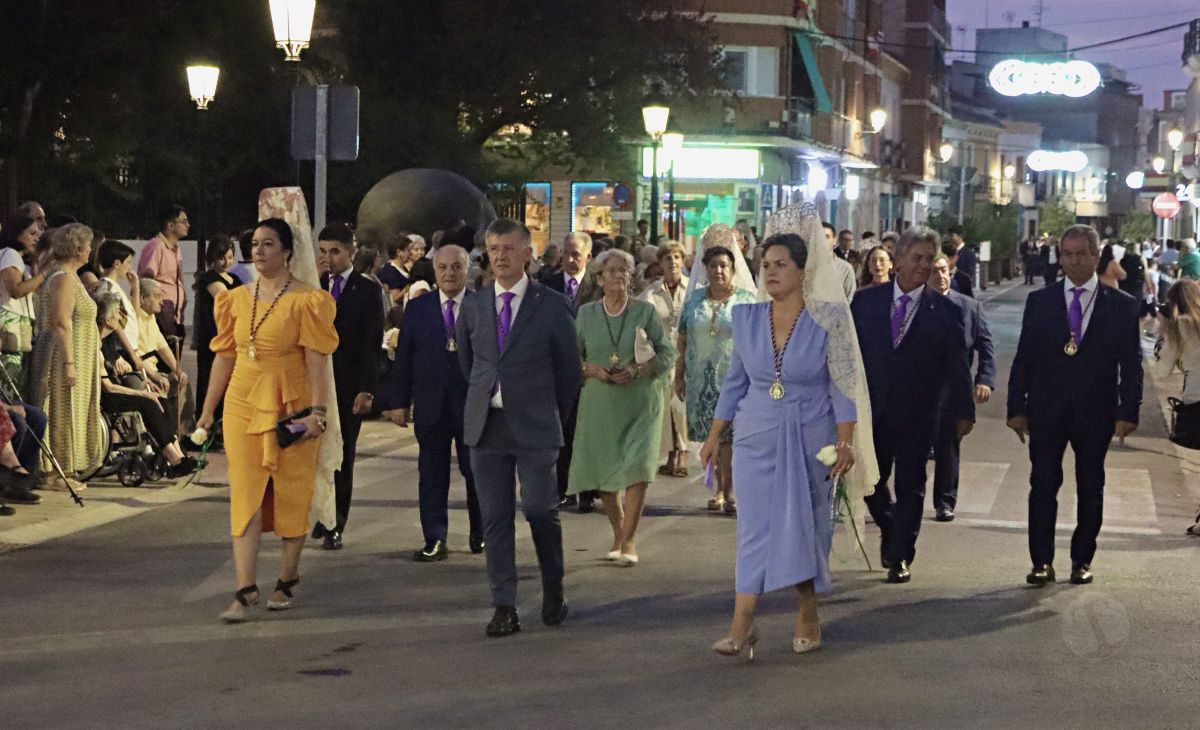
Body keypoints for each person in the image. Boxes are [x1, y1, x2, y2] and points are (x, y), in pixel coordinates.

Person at [706, 202, 876, 658]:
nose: (771, 272)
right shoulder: (745, 320)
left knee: (805, 525)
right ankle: (742, 625)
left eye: (781, 265)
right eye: (766, 265)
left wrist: (845, 439)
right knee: (754, 529)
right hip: (756, 434)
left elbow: (843, 387)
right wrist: (712, 434)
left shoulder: (831, 321)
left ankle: (808, 612)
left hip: (811, 435)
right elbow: (734, 383)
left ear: (804, 271)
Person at [195, 217, 339, 622]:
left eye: (268, 244)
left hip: (291, 407)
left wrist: (318, 413)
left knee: (292, 492)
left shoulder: (308, 300)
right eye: (255, 244)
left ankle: (287, 578)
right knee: (246, 495)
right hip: (242, 404)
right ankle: (244, 590)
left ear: (288, 251)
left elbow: (318, 361)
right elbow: (224, 357)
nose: (258, 251)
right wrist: (208, 411)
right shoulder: (234, 299)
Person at [456, 218, 580, 638]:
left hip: (536, 426)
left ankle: (553, 587)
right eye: (494, 248)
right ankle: (504, 605)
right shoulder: (474, 304)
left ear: (528, 253)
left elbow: (568, 373)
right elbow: (469, 363)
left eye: (509, 248)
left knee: (541, 509)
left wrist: (552, 415)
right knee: (495, 517)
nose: (501, 256)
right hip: (487, 427)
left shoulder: (551, 304)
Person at [1009, 225, 1141, 586]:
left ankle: (1082, 559)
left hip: (1095, 411)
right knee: (1043, 483)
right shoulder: (1041, 301)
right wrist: (1015, 407)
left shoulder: (1121, 307)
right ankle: (1041, 562)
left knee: (1090, 485)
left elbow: (1131, 364)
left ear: (1096, 258)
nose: (1073, 260)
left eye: (1082, 253)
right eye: (1067, 254)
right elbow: (1025, 357)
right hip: (1046, 409)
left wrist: (1128, 411)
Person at [852, 226, 974, 583]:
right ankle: (891, 526)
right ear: (898, 260)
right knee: (870, 483)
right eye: (915, 258)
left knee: (911, 485)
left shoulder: (946, 311)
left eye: (928, 259)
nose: (922, 265)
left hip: (920, 413)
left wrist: (964, 411)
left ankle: (901, 554)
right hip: (872, 410)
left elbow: (958, 364)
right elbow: (850, 356)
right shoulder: (865, 303)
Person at [569, 249, 677, 565]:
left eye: (625, 270)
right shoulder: (586, 314)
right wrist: (592, 370)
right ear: (600, 279)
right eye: (613, 270)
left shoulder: (644, 312)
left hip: (641, 401)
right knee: (605, 472)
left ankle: (629, 541)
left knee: (638, 469)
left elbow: (667, 354)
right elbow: (571, 358)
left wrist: (637, 369)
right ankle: (618, 532)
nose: (619, 275)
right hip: (600, 402)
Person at [382, 244, 483, 560]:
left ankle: (481, 533)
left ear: (467, 270)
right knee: (432, 473)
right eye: (443, 268)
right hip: (431, 404)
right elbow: (405, 359)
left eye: (456, 267)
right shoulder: (419, 307)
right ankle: (435, 538)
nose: (450, 273)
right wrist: (398, 402)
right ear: (435, 270)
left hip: (472, 405)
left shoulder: (483, 306)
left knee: (477, 471)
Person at [311, 222, 385, 550]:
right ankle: (320, 512)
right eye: (323, 251)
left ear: (351, 252)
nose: (328, 258)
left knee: (342, 456)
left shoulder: (368, 292)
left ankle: (335, 522)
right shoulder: (312, 286)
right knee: (312, 455)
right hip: (313, 386)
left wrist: (367, 388)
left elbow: (372, 343)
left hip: (347, 384)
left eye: (335, 252)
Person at [677, 225, 758, 514]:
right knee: (713, 438)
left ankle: (728, 490)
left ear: (733, 267)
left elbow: (756, 341)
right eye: (712, 265)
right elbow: (683, 337)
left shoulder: (747, 301)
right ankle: (719, 487)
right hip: (700, 377)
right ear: (705, 268)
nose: (718, 271)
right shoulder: (695, 299)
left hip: (735, 379)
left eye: (724, 265)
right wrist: (679, 375)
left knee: (729, 438)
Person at [29, 223, 105, 478]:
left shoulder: (71, 277)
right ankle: (53, 473)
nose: (91, 250)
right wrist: (69, 363)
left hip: (76, 357)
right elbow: (61, 323)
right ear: (77, 249)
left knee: (72, 412)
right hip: (61, 358)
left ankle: (66, 469)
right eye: (88, 246)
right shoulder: (62, 278)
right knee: (60, 411)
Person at [95, 294, 196, 477]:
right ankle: (171, 457)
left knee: (161, 399)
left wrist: (147, 386)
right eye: (118, 314)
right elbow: (107, 387)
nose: (121, 319)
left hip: (116, 387)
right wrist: (141, 394)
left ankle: (178, 454)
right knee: (148, 402)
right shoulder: (95, 343)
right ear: (108, 319)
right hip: (105, 396)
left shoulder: (108, 343)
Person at [927, 254, 996, 521]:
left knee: (948, 445)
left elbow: (986, 347)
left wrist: (984, 379)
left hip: (954, 387)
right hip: (919, 387)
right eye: (934, 271)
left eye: (944, 270)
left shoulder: (969, 307)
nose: (940, 276)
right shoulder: (916, 305)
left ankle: (945, 501)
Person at [543, 231, 599, 512]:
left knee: (587, 432)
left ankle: (588, 490)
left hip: (591, 370)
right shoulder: (548, 283)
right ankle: (564, 488)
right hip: (558, 369)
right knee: (562, 430)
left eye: (576, 253)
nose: (569, 258)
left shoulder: (596, 286)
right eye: (566, 253)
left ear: (588, 256)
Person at [639, 242, 690, 478]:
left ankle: (682, 454)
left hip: (686, 355)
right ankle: (671, 454)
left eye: (677, 257)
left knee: (681, 407)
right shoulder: (651, 293)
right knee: (665, 407)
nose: (673, 261)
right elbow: (640, 325)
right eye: (667, 257)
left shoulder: (692, 289)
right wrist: (648, 356)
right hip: (661, 356)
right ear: (660, 263)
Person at [192, 237, 243, 426]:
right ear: (213, 257)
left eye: (230, 257)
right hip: (213, 339)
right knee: (210, 382)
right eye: (222, 258)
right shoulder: (210, 278)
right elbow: (227, 300)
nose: (227, 262)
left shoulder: (235, 279)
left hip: (232, 339)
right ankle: (207, 425)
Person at [137, 278, 193, 437]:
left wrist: (178, 370)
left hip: (154, 370)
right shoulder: (135, 317)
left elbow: (163, 347)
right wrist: (154, 376)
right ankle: (167, 436)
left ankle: (183, 434)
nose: (162, 302)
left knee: (182, 381)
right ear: (143, 299)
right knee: (166, 384)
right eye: (157, 296)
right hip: (143, 372)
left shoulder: (152, 318)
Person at [137, 204, 190, 345]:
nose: (188, 225)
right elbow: (146, 279)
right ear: (170, 225)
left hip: (176, 315)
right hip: (162, 313)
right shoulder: (156, 246)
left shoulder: (176, 249)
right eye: (184, 221)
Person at [0, 214, 44, 382]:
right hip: (10, 329)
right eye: (32, 234)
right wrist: (44, 275)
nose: (36, 238)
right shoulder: (10, 254)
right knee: (11, 383)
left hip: (14, 329)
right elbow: (15, 290)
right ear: (17, 234)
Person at [821, 222, 859, 299]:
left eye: (827, 237)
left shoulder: (845, 269)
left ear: (835, 240)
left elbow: (851, 300)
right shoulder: (802, 268)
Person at [947, 224, 977, 293]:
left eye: (952, 236)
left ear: (960, 236)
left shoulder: (969, 254)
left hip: (962, 293)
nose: (950, 239)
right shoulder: (948, 253)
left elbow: (968, 276)